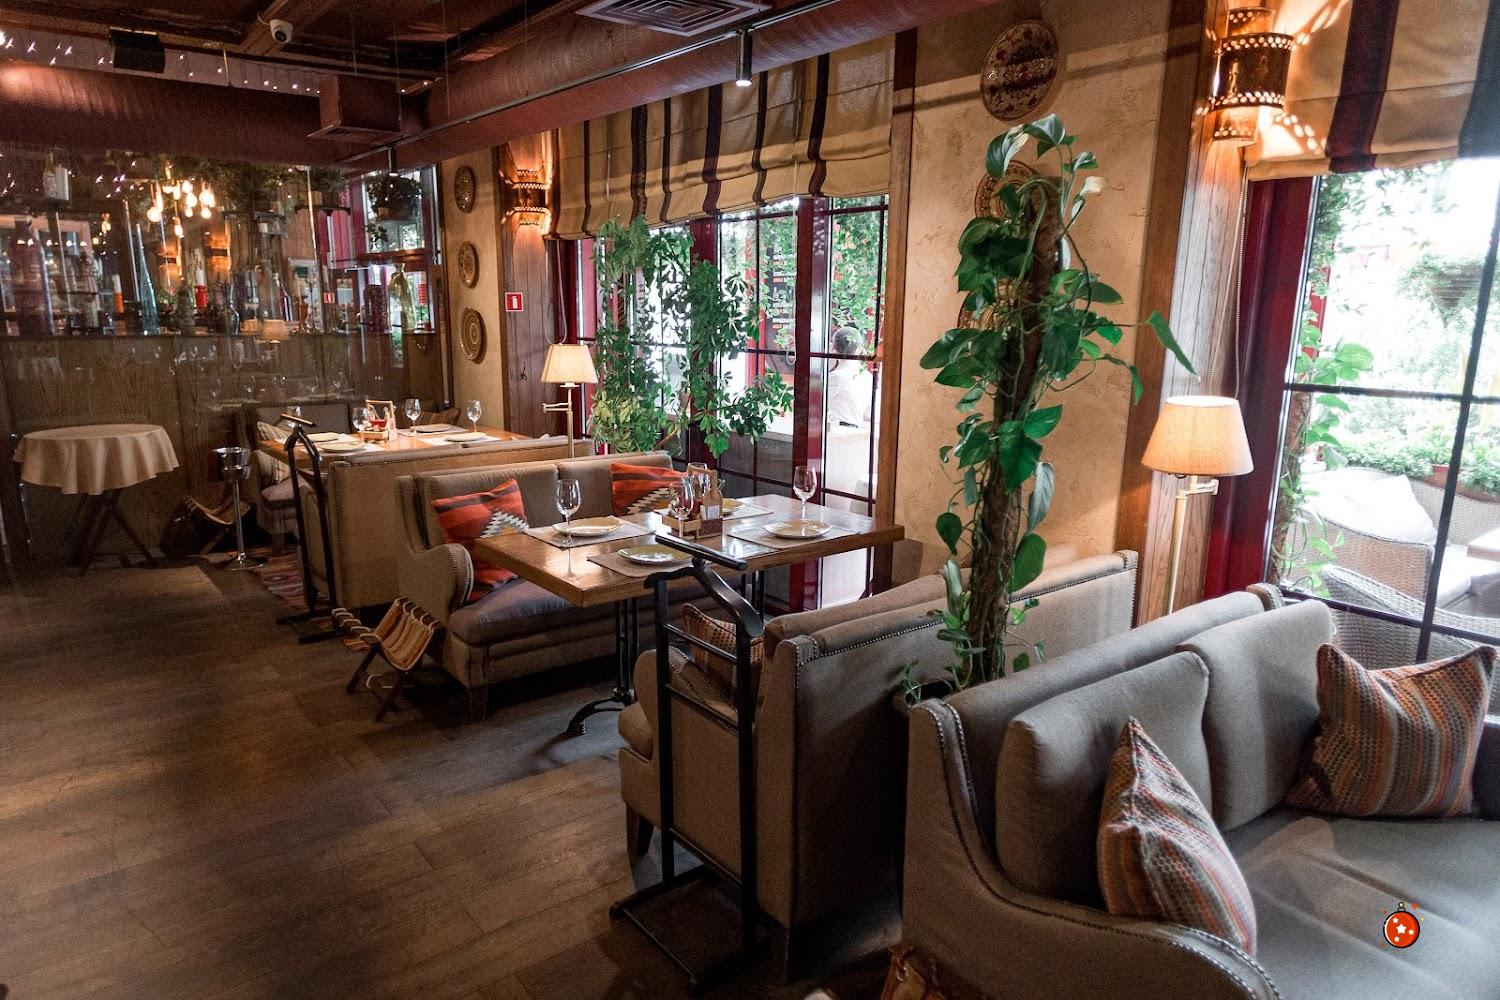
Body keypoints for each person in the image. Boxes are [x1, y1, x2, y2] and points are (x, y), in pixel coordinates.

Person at [825, 325, 872, 426]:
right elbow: (868, 414)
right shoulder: (868, 376)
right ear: (859, 350)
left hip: (836, 430)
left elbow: (815, 404)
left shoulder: (836, 377)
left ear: (833, 348)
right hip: (856, 431)